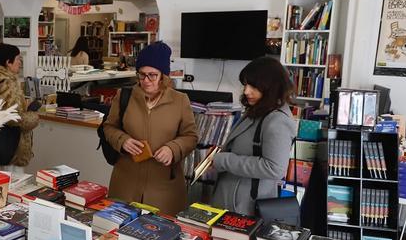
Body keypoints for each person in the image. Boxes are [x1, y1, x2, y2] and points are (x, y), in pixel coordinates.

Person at [103, 41, 197, 215]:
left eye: (152, 75)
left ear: (164, 76)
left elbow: (191, 136)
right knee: (118, 235)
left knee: (157, 235)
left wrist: (173, 149)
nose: (146, 81)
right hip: (125, 183)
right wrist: (122, 140)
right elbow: (109, 127)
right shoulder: (124, 96)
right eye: (142, 75)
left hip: (164, 189)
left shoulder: (180, 100)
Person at [211, 56, 297, 214]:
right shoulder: (259, 110)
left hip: (246, 206)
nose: (246, 91)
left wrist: (224, 160)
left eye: (254, 86)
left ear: (271, 87)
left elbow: (274, 168)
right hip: (234, 199)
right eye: (245, 85)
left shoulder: (277, 121)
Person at [0, 43, 39, 168]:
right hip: (10, 145)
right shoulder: (7, 83)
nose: (20, 63)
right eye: (18, 59)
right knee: (10, 180)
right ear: (8, 62)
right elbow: (10, 116)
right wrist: (32, 116)